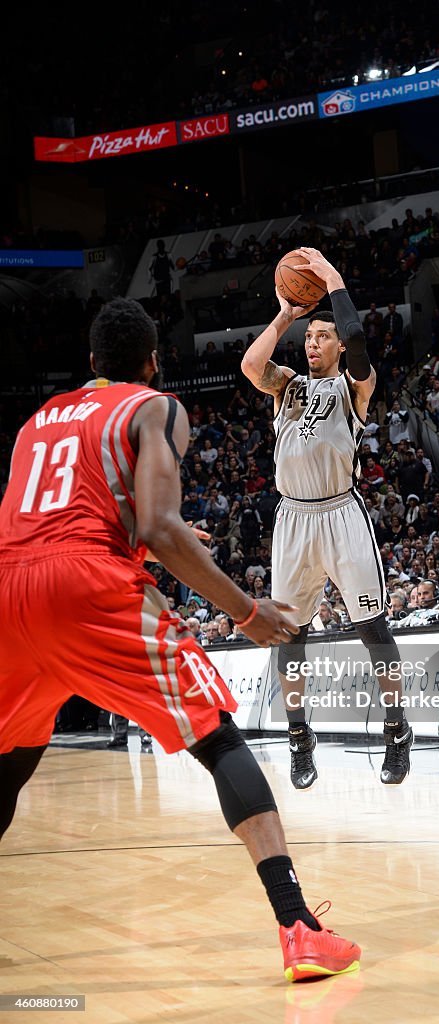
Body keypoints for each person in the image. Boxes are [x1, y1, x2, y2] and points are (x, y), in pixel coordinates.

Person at [0, 297, 360, 983]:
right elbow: (159, 528)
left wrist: (151, 543)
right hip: (87, 589)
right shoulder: (152, 406)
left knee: (11, 757)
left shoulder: (36, 420)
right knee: (216, 735)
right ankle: (298, 927)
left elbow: (53, 523)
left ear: (90, 364)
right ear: (152, 361)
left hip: (7, 588)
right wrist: (248, 611)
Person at [241, 247, 412, 791]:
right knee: (289, 636)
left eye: (321, 336)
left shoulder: (354, 385)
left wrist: (334, 279)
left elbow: (359, 340)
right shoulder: (286, 384)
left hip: (341, 514)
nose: (312, 343)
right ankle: (298, 736)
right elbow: (250, 366)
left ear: (337, 344)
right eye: (308, 337)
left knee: (372, 627)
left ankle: (396, 730)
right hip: (293, 520)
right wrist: (285, 315)